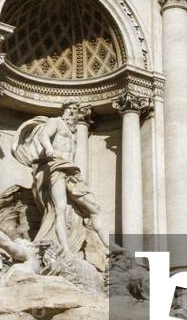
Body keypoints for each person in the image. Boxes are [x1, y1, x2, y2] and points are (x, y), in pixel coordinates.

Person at [11, 103, 117, 269]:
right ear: (65, 110)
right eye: (71, 109)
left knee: (94, 208)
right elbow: (44, 135)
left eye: (76, 111)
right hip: (55, 166)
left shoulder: (73, 132)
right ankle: (66, 250)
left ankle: (110, 246)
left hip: (71, 172)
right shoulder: (55, 122)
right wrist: (48, 148)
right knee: (60, 208)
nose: (73, 113)